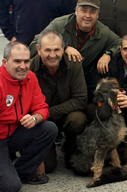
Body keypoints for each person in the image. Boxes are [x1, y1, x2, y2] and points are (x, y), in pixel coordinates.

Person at [0, 42, 58, 191]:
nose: (23, 66)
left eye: (26, 61)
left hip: (9, 134)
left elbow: (42, 107)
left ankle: (22, 172)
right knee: (10, 187)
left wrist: (35, 118)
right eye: (17, 61)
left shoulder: (30, 78)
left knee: (48, 128)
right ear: (5, 63)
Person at [29, 0, 121, 101]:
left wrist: (108, 54)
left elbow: (120, 43)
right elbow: (33, 46)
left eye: (92, 11)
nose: (87, 15)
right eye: (84, 10)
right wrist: (64, 48)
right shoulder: (58, 25)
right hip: (52, 76)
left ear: (97, 15)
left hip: (80, 81)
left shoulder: (103, 32)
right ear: (76, 11)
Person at [31, 31, 87, 172]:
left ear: (63, 49)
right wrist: (41, 117)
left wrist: (48, 112)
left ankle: (70, 148)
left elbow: (81, 100)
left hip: (64, 115)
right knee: (48, 167)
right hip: (42, 122)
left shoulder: (74, 65)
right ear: (38, 50)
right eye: (47, 50)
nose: (52, 55)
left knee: (78, 119)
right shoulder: (30, 69)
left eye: (57, 49)